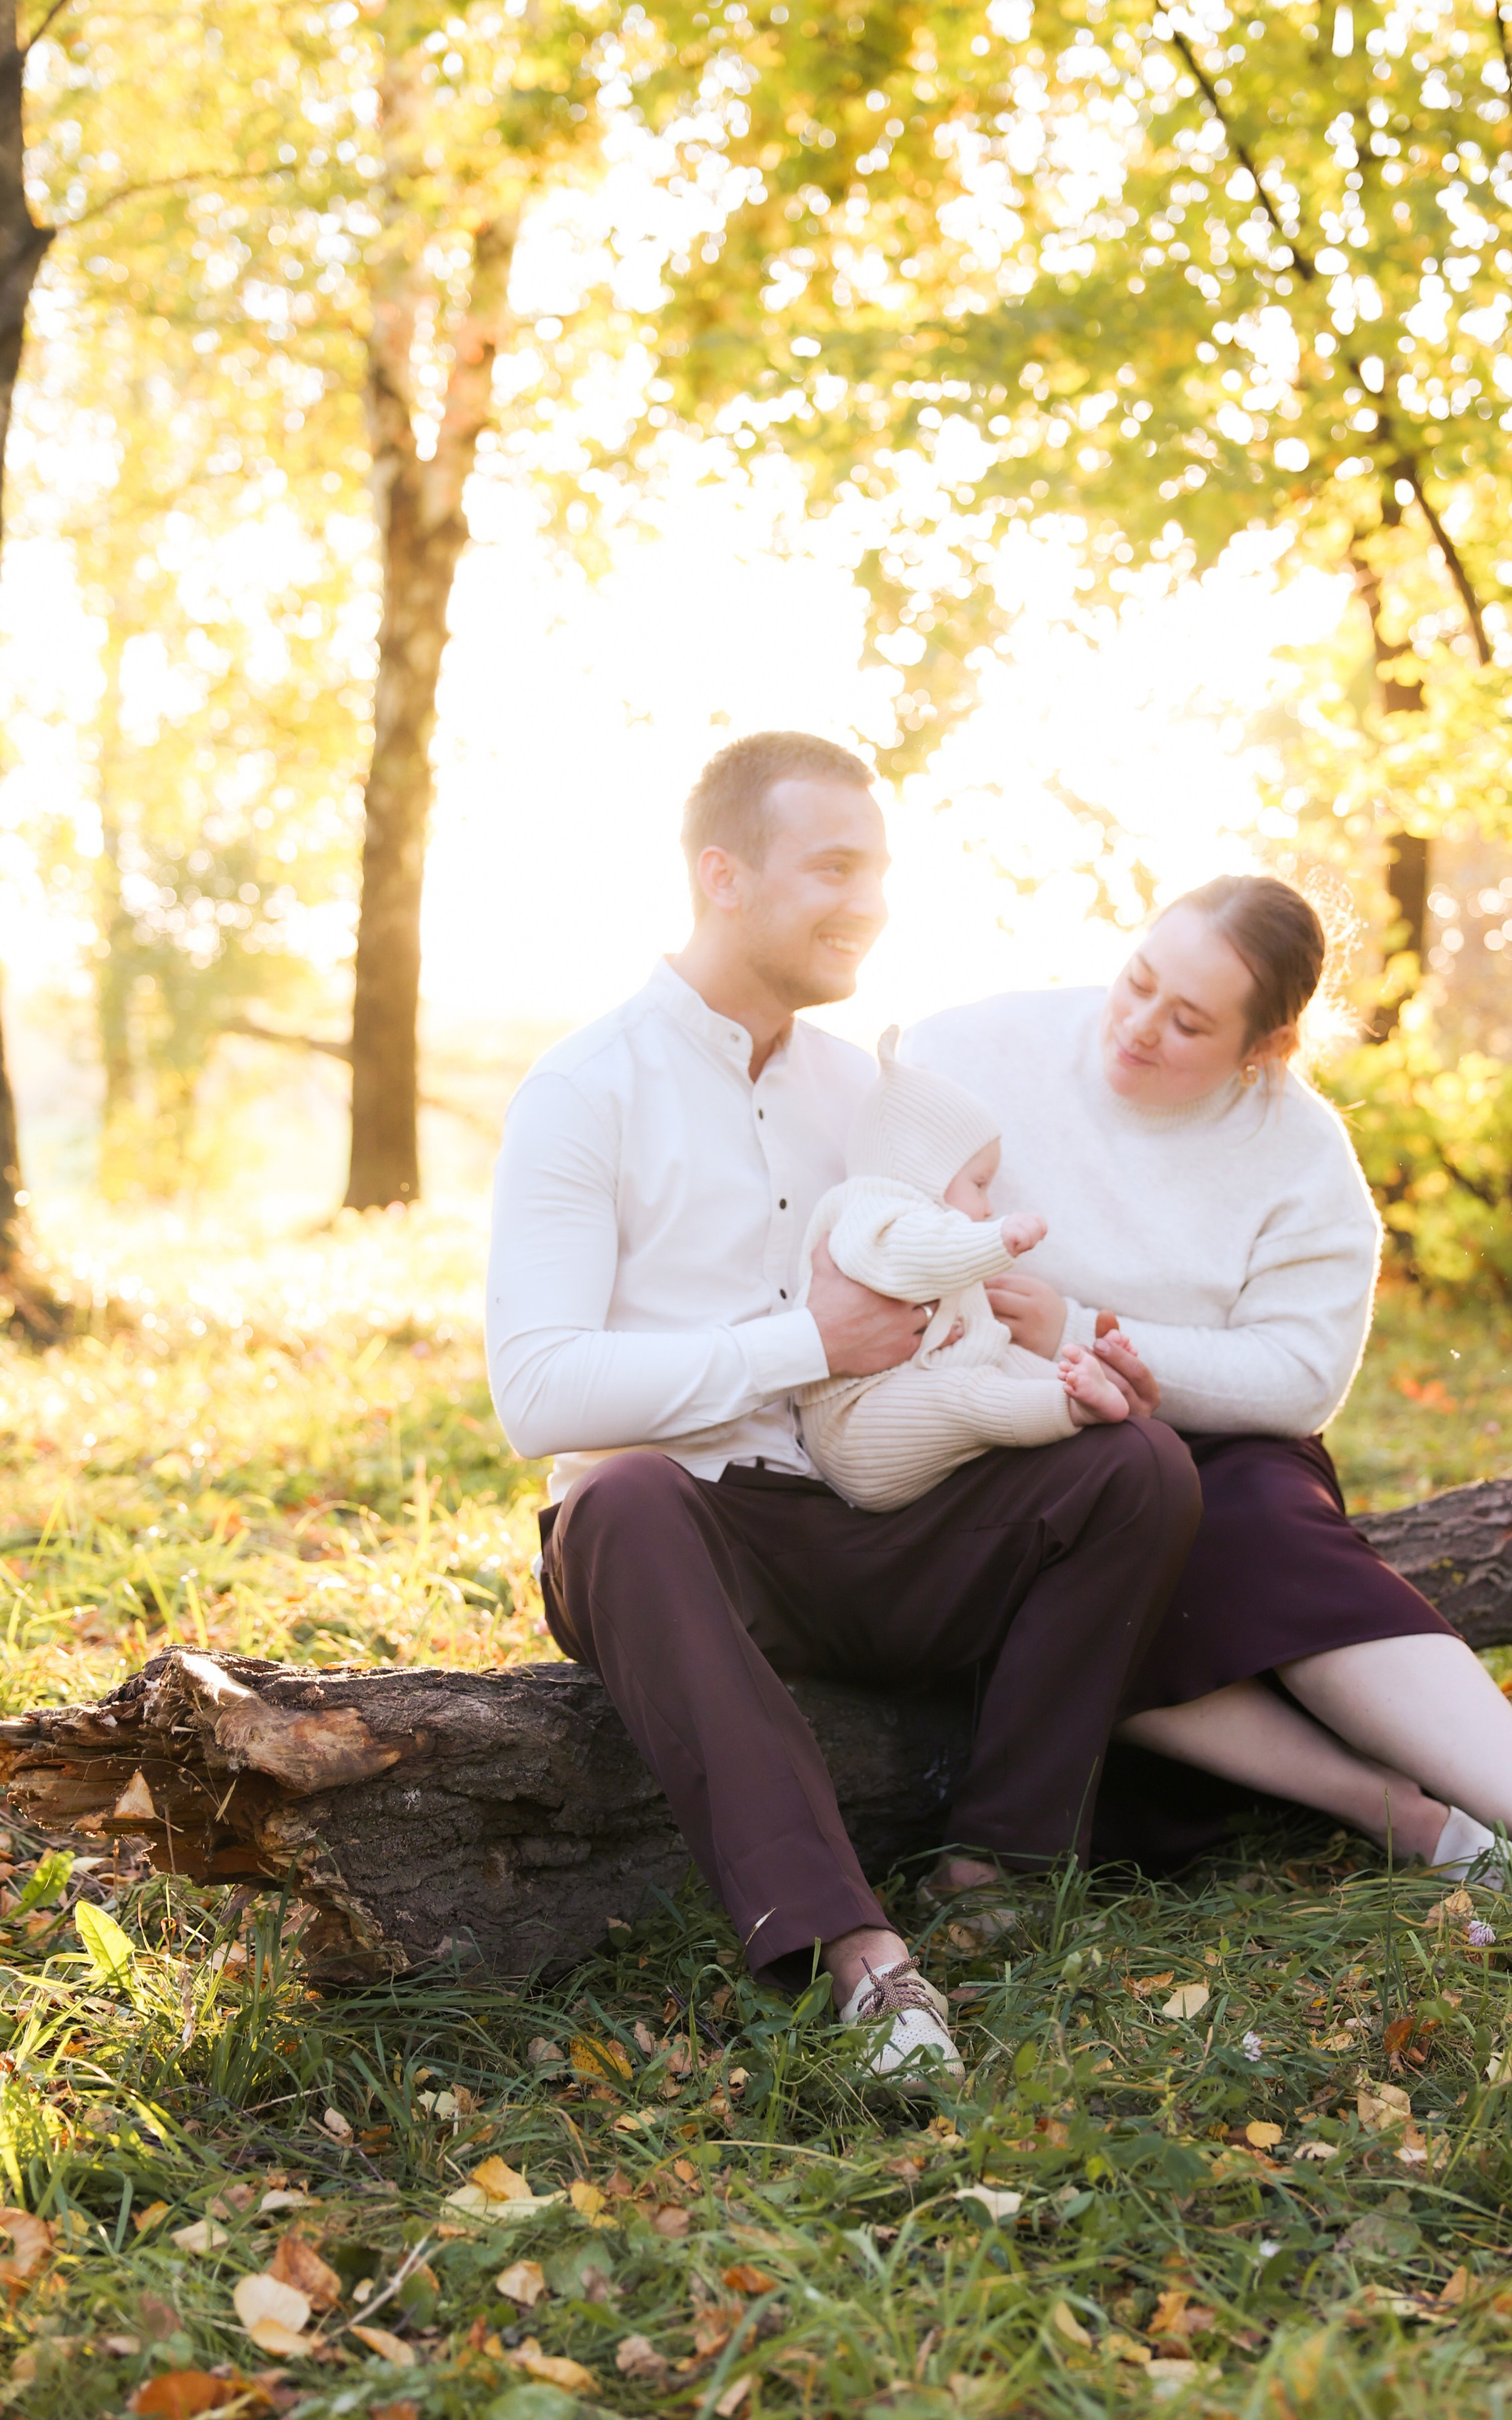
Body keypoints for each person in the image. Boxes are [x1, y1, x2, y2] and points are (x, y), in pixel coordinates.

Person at [484, 732, 1204, 2090]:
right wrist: (799, 1341)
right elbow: (536, 1390)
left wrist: (1068, 1374)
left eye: (876, 870)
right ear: (724, 877)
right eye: (832, 867)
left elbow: (955, 1295)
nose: (867, 901)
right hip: (691, 1540)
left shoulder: (871, 1094)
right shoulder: (586, 1091)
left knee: (1137, 1470)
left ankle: (1001, 1867)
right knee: (618, 1495)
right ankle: (855, 1951)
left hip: (880, 1508)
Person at [907, 874, 1512, 1948]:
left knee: (1265, 1542)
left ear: (1266, 1046)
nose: (1138, 1027)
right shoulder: (976, 1049)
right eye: (1139, 983)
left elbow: (1303, 1373)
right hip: (1004, 1422)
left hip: (1220, 1445)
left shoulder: (1302, 1154)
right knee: (1071, 1576)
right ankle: (1395, 1811)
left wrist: (1088, 1332)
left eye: (1190, 1021)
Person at [795, 1026, 1134, 1513]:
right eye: (978, 1183)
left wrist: (1063, 1367)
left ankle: (1082, 1384)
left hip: (922, 1387)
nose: (988, 1205)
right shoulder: (871, 1209)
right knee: (970, 1394)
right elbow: (910, 1258)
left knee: (1006, 1359)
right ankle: (1071, 1408)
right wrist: (995, 1240)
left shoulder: (935, 1227)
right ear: (923, 1171)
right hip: (861, 1428)